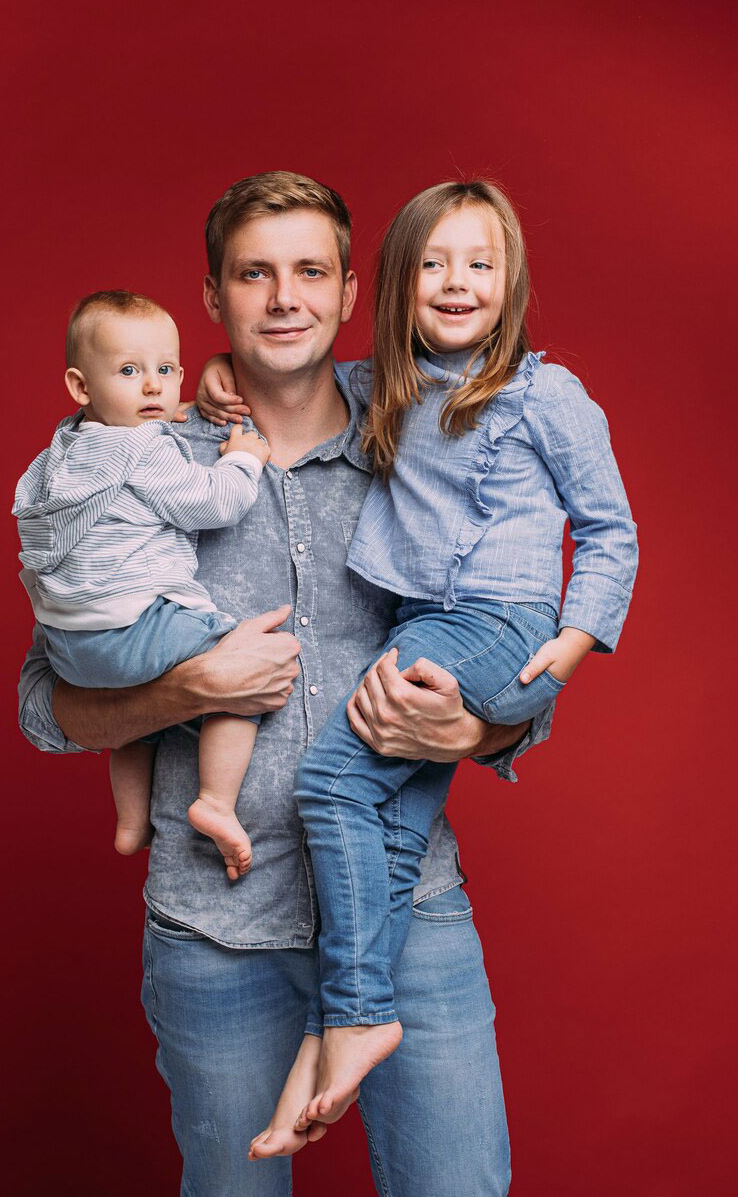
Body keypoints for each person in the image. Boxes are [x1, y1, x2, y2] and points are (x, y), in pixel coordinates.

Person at [17, 171, 553, 1196]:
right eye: (252, 275)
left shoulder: (429, 443)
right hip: (216, 931)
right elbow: (48, 705)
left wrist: (473, 731)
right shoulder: (134, 457)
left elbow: (521, 663)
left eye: (309, 271)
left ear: (352, 293)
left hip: (408, 912)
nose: (283, 299)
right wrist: (187, 688)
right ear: (213, 299)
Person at [196, 179, 638, 1147]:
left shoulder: (543, 392)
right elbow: (286, 374)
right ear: (395, 285)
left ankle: (354, 1014)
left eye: (480, 263)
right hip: (426, 631)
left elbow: (608, 532)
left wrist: (557, 660)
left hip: (493, 619)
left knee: (331, 786)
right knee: (382, 827)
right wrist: (213, 384)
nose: (456, 281)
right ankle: (340, 1029)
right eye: (434, 263)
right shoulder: (373, 388)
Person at [13, 292, 270, 876]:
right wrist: (244, 459)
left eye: (165, 371)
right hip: (132, 628)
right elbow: (215, 501)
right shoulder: (142, 449)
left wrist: (147, 413)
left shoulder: (69, 447)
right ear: (82, 386)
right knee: (242, 672)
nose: (153, 388)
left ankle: (132, 822)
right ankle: (216, 803)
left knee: (140, 717)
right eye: (129, 372)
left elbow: (125, 448)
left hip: (70, 650)